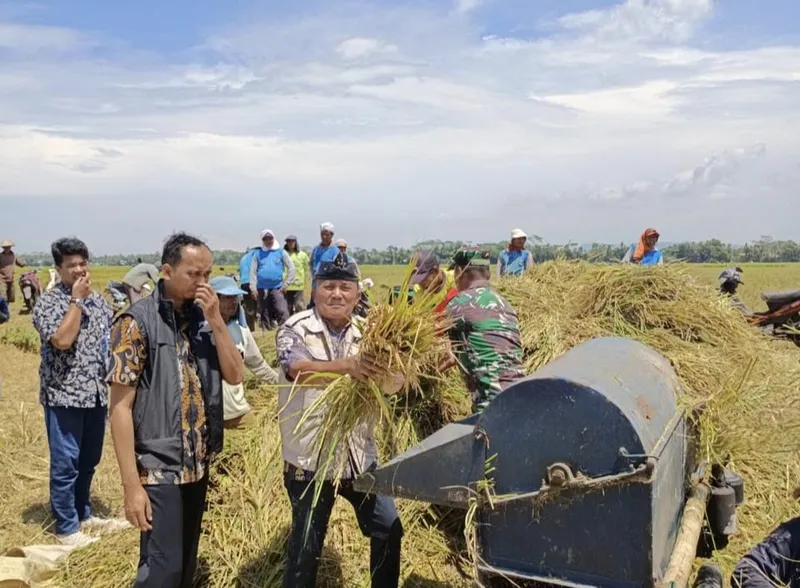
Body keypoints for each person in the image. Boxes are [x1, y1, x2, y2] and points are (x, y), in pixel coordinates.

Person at [107, 232, 244, 588]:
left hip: (197, 464)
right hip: (158, 467)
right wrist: (131, 487)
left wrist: (216, 321)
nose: (203, 283)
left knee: (184, 566)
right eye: (193, 275)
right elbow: (120, 408)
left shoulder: (203, 319)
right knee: (161, 569)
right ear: (166, 271)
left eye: (207, 274)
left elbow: (235, 374)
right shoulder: (136, 323)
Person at [276, 252, 403, 588]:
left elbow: (392, 386)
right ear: (314, 290)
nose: (336, 294)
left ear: (357, 294)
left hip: (359, 458)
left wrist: (399, 366)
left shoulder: (370, 332)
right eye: (328, 286)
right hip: (310, 462)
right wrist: (349, 366)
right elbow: (297, 371)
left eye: (345, 287)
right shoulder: (295, 328)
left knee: (389, 527)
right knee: (305, 551)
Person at [32, 237, 128, 547]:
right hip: (64, 394)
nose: (78, 269)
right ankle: (66, 528)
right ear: (58, 269)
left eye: (82, 263)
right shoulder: (48, 303)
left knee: (89, 460)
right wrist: (75, 300)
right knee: (66, 462)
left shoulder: (99, 302)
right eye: (70, 265)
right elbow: (62, 340)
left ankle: (83, 513)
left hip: (96, 393)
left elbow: (109, 342)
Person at [440, 248, 526, 415]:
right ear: (487, 273)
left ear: (459, 272)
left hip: (491, 407)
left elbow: (426, 333)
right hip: (520, 396)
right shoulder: (505, 304)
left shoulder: (460, 304)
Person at [209, 275, 278, 429]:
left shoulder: (241, 331)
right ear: (213, 299)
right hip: (208, 415)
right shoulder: (199, 333)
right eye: (227, 297)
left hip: (238, 412)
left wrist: (284, 383)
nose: (234, 301)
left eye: (235, 297)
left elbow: (258, 365)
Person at [248, 230, 295, 331]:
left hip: (277, 287)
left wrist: (286, 284)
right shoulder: (258, 254)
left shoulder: (281, 252)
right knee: (264, 312)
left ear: (273, 238)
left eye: (270, 238)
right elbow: (253, 271)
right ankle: (267, 333)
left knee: (282, 310)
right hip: (262, 288)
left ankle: (286, 332)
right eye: (265, 239)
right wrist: (253, 288)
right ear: (262, 240)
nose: (268, 241)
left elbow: (291, 268)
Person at [308, 222, 340, 310]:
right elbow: (311, 263)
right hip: (316, 281)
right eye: (322, 234)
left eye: (326, 234)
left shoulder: (335, 251)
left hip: (328, 281)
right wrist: (313, 274)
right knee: (313, 304)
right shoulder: (316, 249)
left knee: (325, 304)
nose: (324, 237)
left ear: (331, 235)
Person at [283, 235, 310, 314]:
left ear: (296, 242)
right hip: (287, 285)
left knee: (299, 305)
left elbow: (306, 269)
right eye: (288, 241)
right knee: (288, 307)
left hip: (298, 285)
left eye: (292, 241)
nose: (290, 243)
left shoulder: (303, 255)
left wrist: (306, 282)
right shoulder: (283, 254)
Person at [238, 246, 259, 331]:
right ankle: (263, 326)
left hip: (244, 283)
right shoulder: (256, 255)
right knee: (258, 304)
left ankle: (251, 328)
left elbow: (240, 273)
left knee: (249, 306)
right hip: (253, 282)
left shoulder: (243, 258)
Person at [1, 239, 25, 305]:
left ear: (10, 247)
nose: (7, 249)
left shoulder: (14, 255)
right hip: (2, 280)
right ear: (3, 248)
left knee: (10, 297)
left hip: (11, 280)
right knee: (3, 298)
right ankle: (4, 313)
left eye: (8, 247)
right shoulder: (0, 256)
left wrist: (23, 263)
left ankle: (6, 312)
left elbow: (20, 263)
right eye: (5, 247)